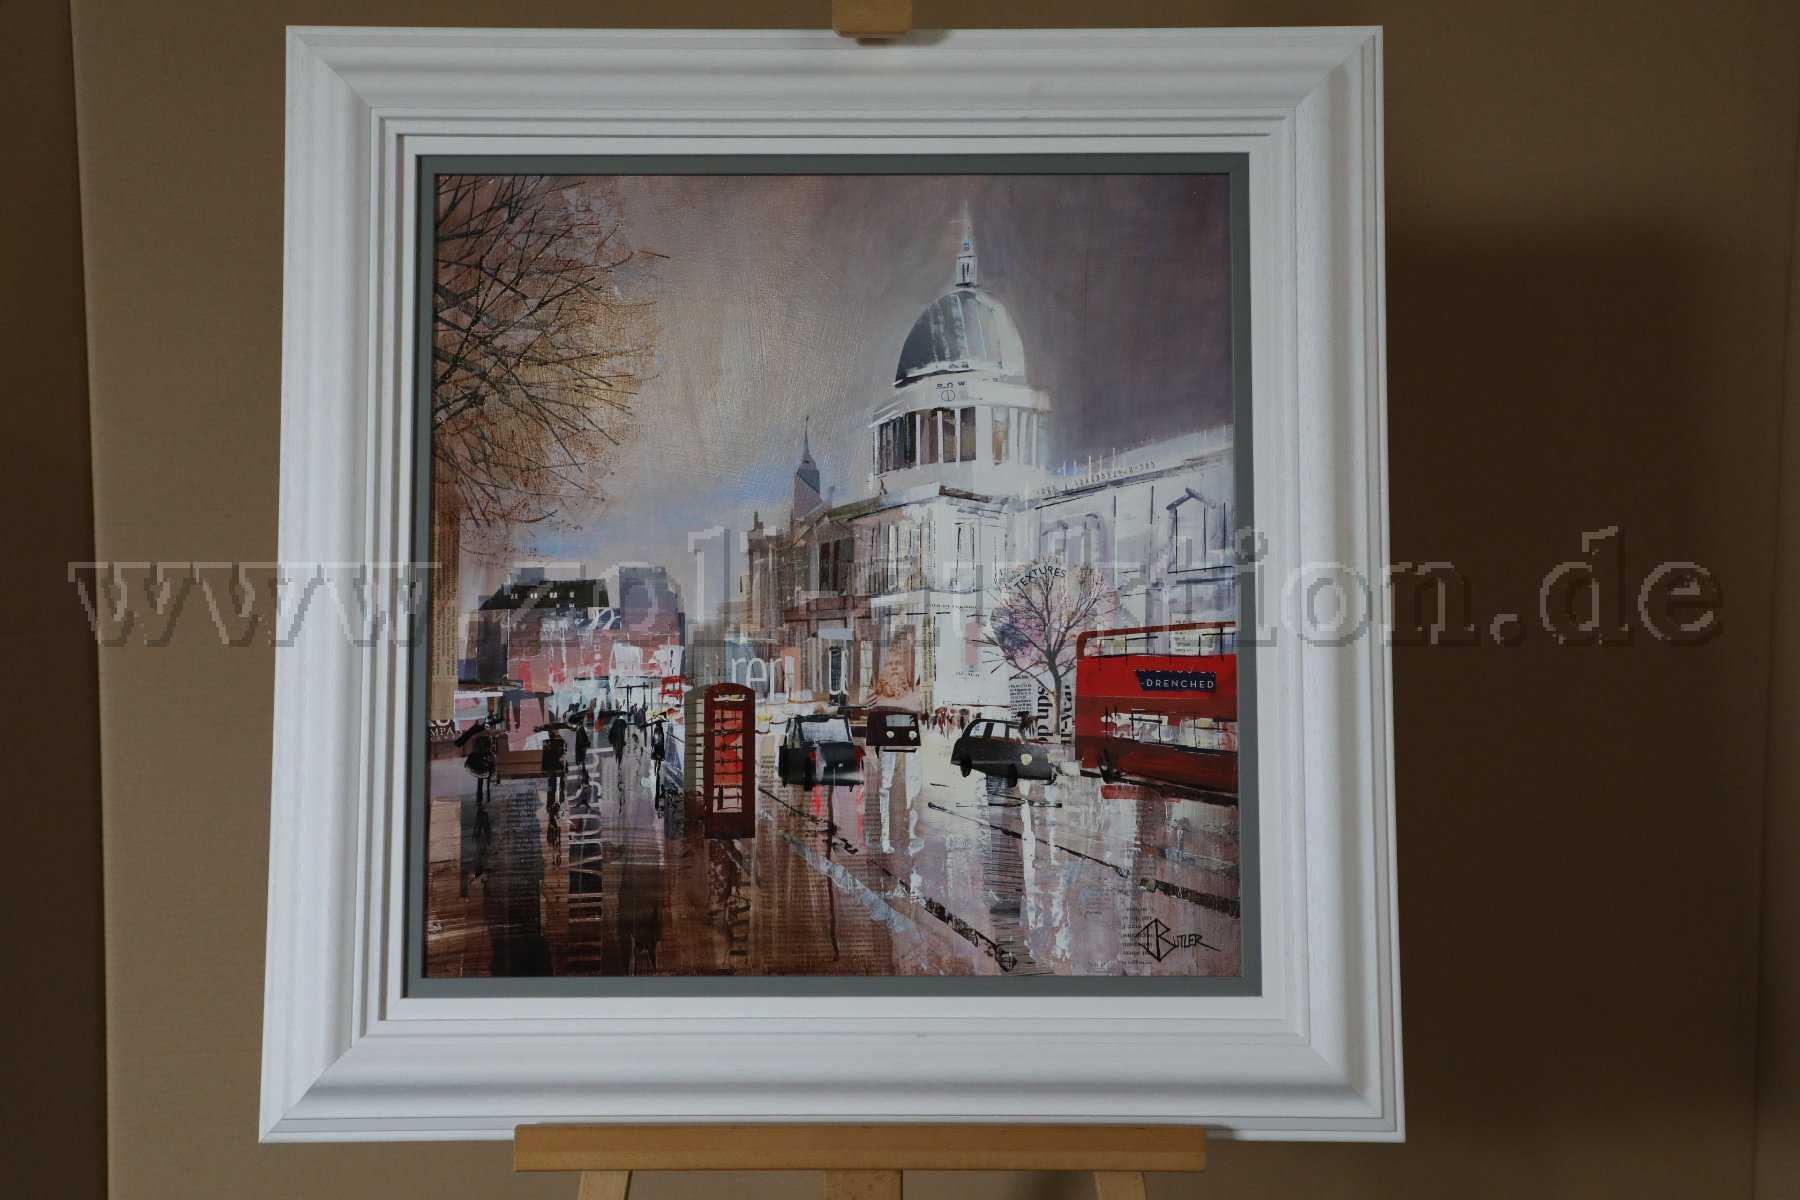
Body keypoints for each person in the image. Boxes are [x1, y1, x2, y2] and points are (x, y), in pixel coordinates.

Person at [453, 716, 499, 807]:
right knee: (484, 778)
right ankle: (483, 799)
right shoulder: (484, 732)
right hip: (482, 758)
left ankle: (481, 799)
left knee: (482, 779)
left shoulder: (480, 731)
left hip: (481, 758)